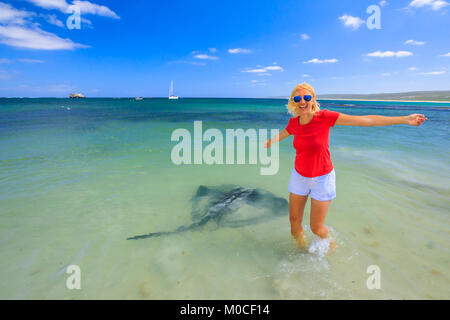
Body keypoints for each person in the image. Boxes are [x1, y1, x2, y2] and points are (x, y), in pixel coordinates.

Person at [264, 83, 427, 250]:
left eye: (307, 97)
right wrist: (269, 142)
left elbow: (364, 120)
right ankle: (300, 251)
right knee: (294, 223)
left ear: (313, 99)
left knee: (317, 229)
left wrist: (404, 119)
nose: (302, 101)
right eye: (297, 98)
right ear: (293, 102)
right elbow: (285, 133)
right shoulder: (294, 123)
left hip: (322, 179)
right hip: (299, 177)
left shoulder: (325, 117)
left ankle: (331, 245)